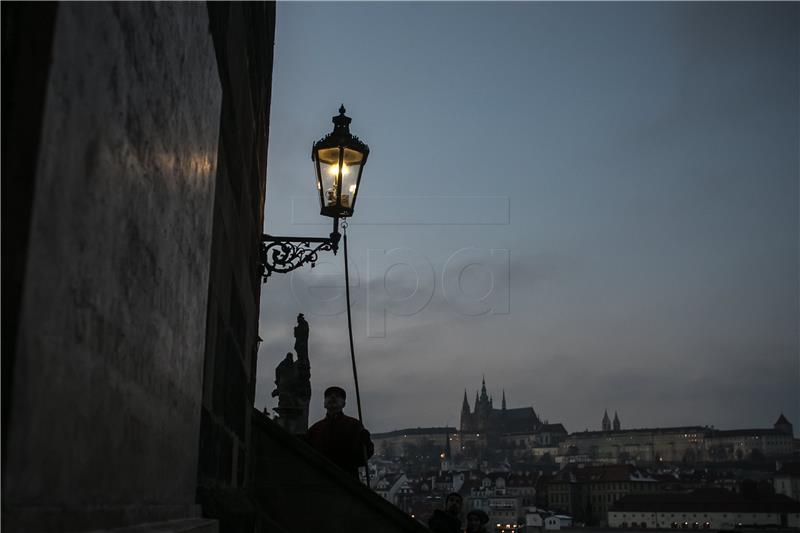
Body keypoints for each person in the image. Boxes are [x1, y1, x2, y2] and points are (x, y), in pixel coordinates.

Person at [306, 386, 374, 478]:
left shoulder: (354, 425)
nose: (333, 397)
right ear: (324, 404)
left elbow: (364, 456)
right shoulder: (314, 429)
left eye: (338, 396)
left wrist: (366, 443)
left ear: (344, 404)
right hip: (321, 479)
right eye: (329, 395)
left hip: (347, 480)